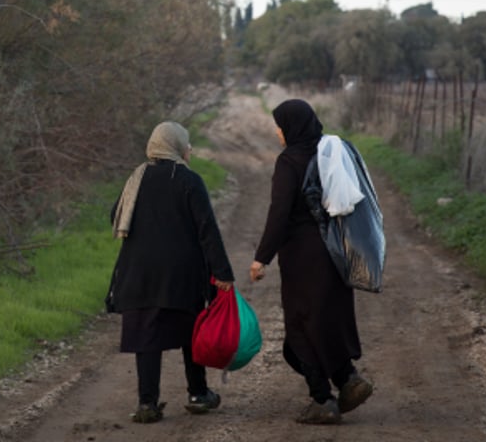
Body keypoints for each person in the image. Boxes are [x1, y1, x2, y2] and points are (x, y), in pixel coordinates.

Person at [249, 98, 374, 424]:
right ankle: (348, 380)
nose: (277, 132)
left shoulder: (289, 161)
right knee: (329, 317)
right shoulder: (330, 152)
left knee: (302, 325)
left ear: (290, 126)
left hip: (303, 258)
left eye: (279, 125)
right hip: (335, 250)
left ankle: (322, 399)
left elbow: (279, 214)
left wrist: (261, 258)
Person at [107, 120, 235, 424]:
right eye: (186, 144)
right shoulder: (189, 180)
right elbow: (208, 231)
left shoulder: (136, 178)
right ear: (176, 146)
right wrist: (223, 273)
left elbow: (115, 215)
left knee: (146, 337)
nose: (189, 149)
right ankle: (198, 394)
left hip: (138, 273)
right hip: (182, 274)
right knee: (191, 332)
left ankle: (147, 404)